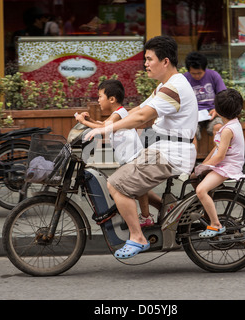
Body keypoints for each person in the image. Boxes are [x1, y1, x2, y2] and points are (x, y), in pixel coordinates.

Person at [85, 35, 198, 259]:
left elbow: (142, 118)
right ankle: (170, 210)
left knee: (116, 183)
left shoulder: (173, 89)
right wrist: (104, 124)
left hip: (171, 154)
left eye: (149, 59)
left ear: (165, 61)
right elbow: (137, 111)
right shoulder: (164, 87)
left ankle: (138, 237)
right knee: (130, 178)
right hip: (164, 150)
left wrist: (107, 130)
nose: (145, 64)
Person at [75, 79, 160, 226]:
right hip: (129, 158)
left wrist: (83, 122)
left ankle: (146, 217)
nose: (99, 100)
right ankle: (164, 207)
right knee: (140, 189)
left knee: (136, 189)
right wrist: (90, 120)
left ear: (112, 99)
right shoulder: (118, 113)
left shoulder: (119, 113)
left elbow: (104, 129)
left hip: (134, 158)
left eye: (100, 96)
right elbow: (103, 125)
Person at [193, 89, 245, 238]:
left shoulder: (228, 130)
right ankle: (205, 211)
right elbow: (216, 148)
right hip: (224, 164)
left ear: (219, 111)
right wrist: (204, 164)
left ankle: (215, 224)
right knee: (193, 177)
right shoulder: (232, 124)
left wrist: (204, 166)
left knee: (201, 190)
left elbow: (220, 156)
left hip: (227, 166)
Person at [183, 52, 226, 149]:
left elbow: (223, 96)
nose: (197, 76)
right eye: (193, 73)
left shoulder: (213, 76)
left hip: (212, 112)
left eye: (199, 73)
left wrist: (217, 110)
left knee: (218, 128)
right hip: (193, 114)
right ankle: (190, 163)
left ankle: (219, 160)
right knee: (189, 132)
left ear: (205, 69)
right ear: (189, 71)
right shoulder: (184, 79)